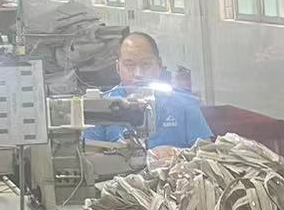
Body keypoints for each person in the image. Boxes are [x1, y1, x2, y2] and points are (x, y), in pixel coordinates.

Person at [84, 30, 212, 153]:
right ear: (118, 67)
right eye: (129, 65)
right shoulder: (102, 106)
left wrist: (174, 154)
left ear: (159, 65)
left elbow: (207, 154)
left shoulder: (184, 104)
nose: (138, 74)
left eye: (146, 64)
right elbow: (89, 156)